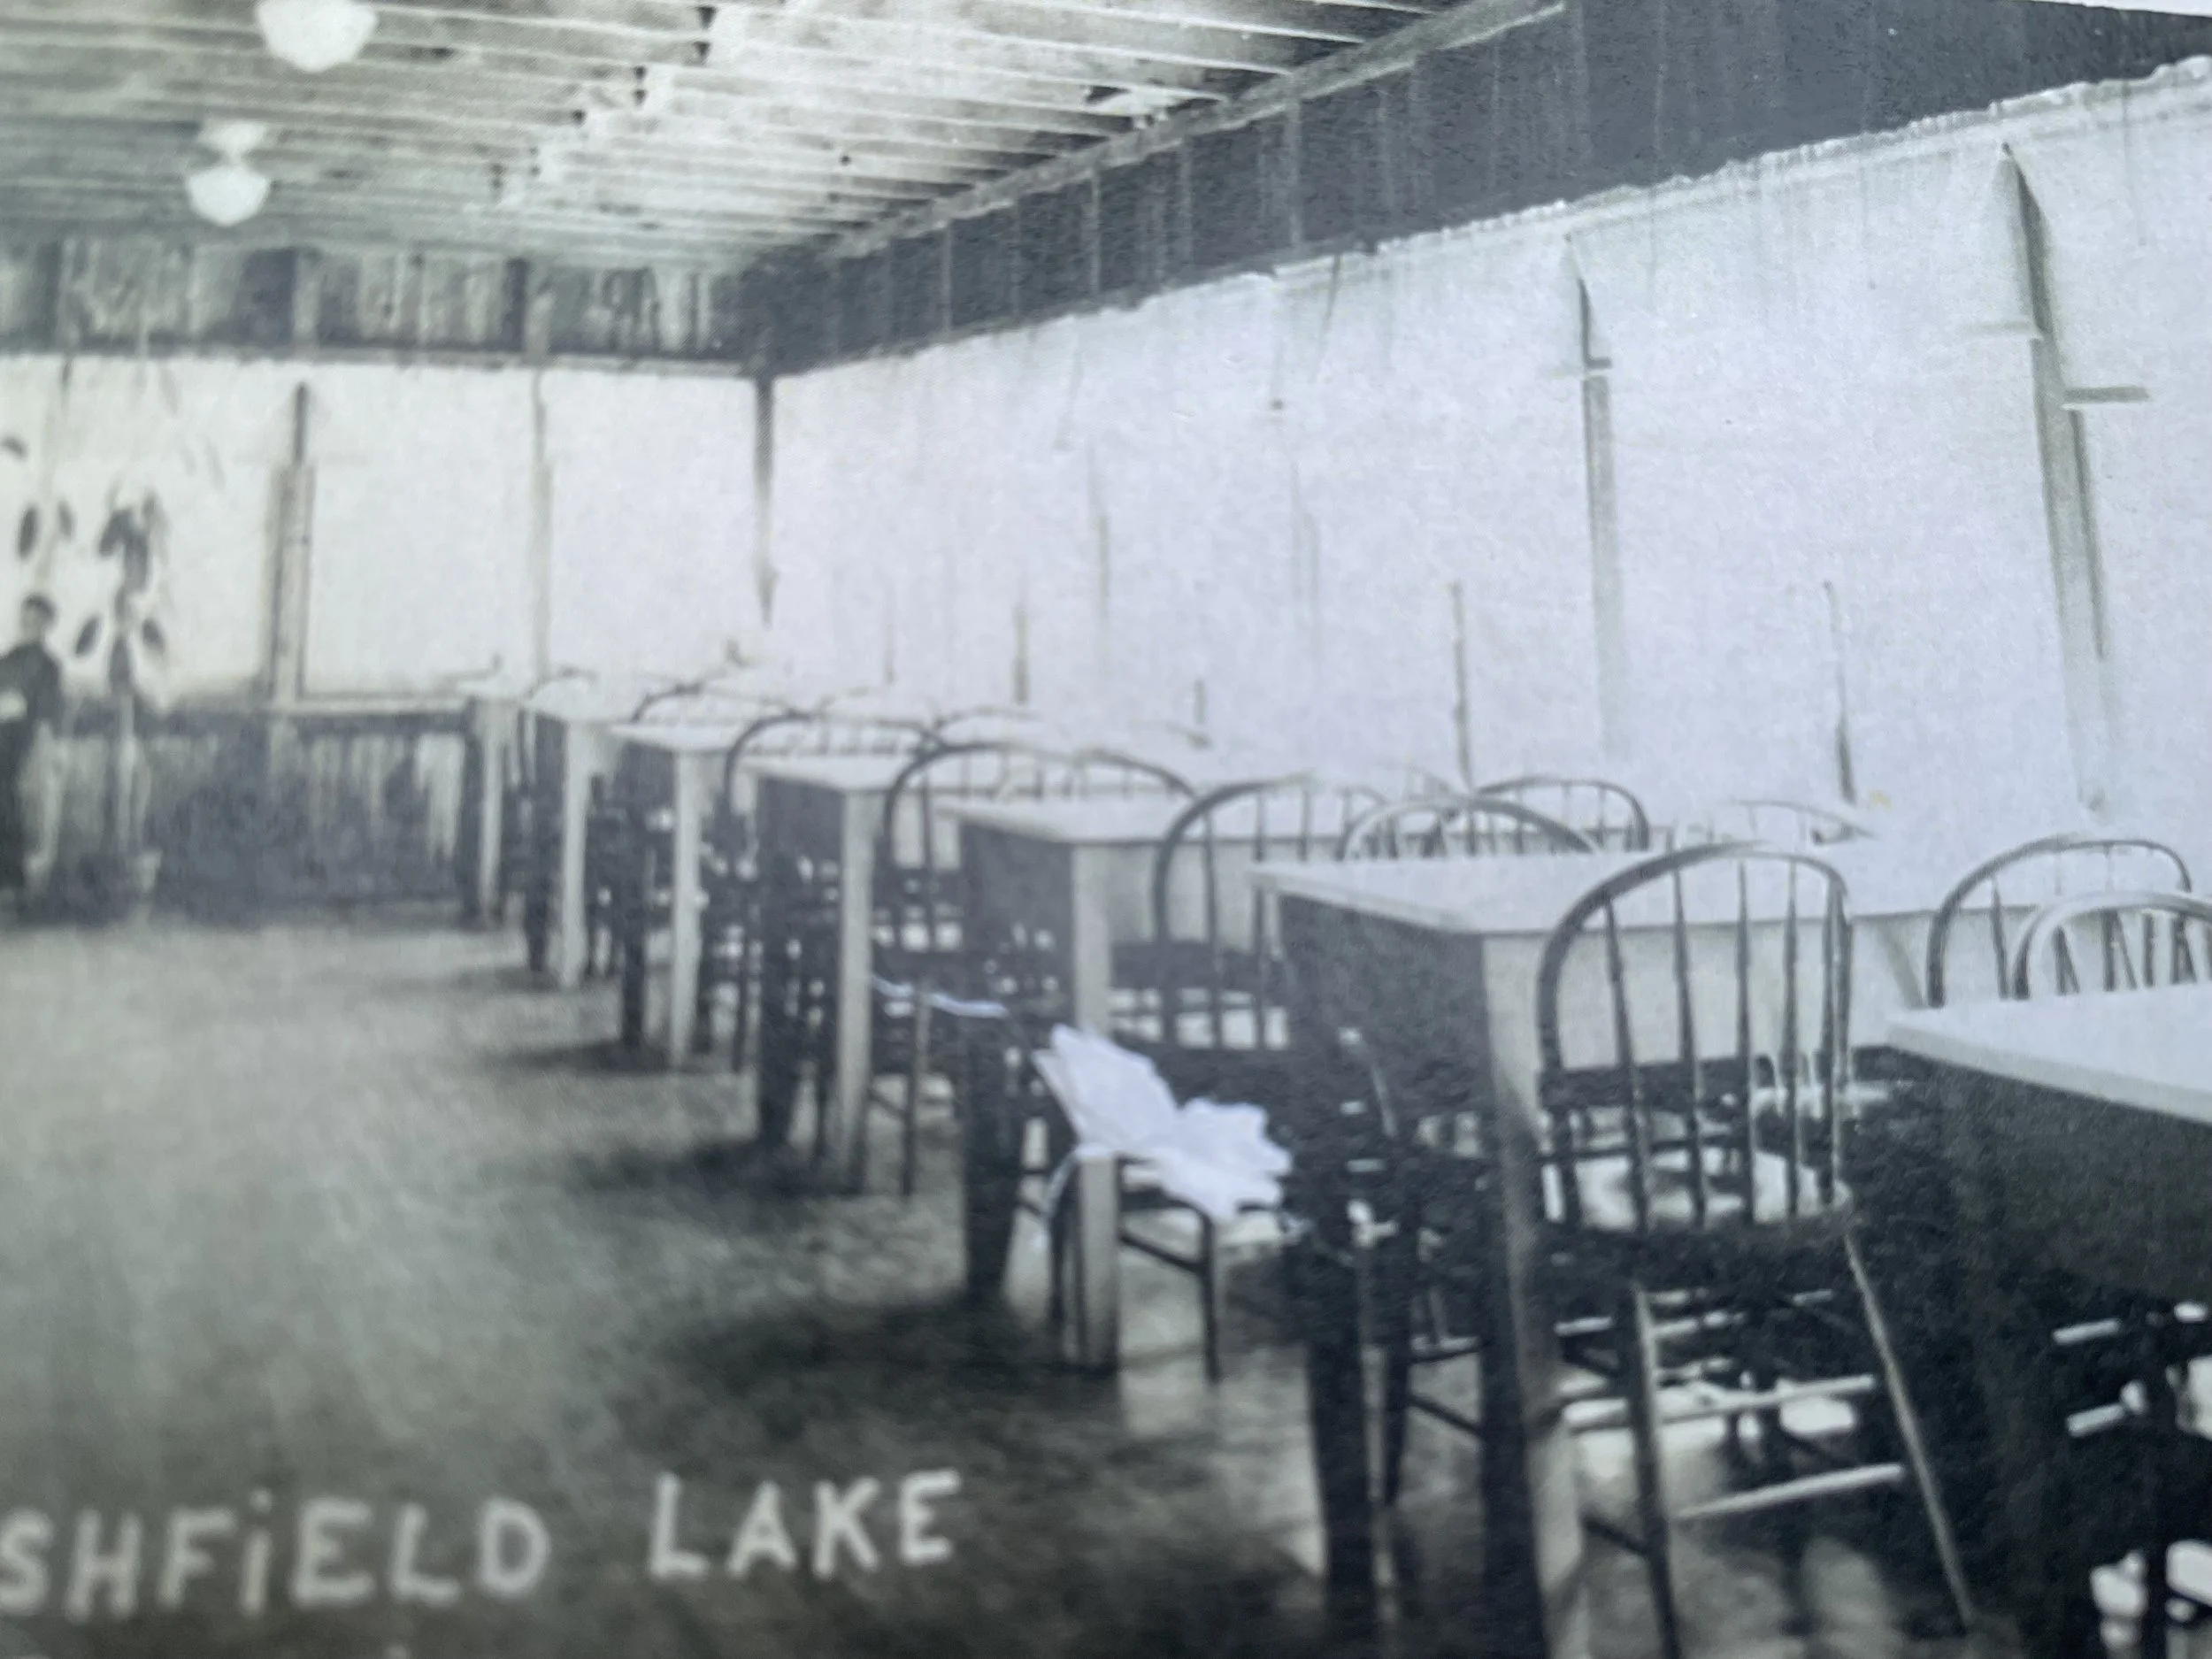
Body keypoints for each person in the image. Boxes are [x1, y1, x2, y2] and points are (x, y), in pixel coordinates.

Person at [0, 593, 63, 899]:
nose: (29, 624)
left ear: (47, 625)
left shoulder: (49, 666)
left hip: (22, 739)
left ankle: (10, 881)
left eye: (37, 620)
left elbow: (45, 713)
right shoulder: (8, 659)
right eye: (26, 618)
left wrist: (18, 707)